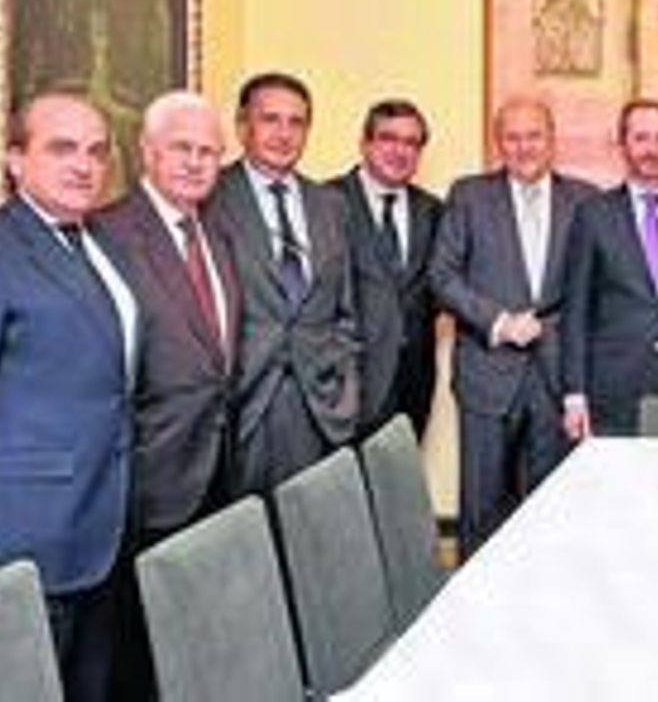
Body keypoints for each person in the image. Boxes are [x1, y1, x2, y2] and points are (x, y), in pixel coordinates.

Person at [0, 93, 139, 702]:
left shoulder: (101, 243)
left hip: (103, 524)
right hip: (25, 536)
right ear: (15, 160)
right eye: (62, 149)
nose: (84, 166)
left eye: (96, 152)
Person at [431, 96, 595, 554]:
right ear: (497, 143)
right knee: (482, 512)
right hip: (487, 376)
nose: (524, 147)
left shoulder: (586, 200)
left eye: (534, 136)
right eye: (512, 137)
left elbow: (596, 291)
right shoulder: (469, 196)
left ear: (552, 139)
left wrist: (583, 385)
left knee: (551, 510)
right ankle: (476, 599)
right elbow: (442, 276)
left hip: (558, 380)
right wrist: (499, 322)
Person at [206, 71, 362, 493]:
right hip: (242, 406)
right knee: (242, 530)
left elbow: (345, 309)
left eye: (296, 122)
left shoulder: (331, 205)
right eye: (270, 119)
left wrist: (345, 387)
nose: (283, 134)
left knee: (312, 526)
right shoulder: (210, 198)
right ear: (242, 125)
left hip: (320, 407)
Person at [96, 91, 240, 540]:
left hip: (218, 469)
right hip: (148, 479)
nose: (195, 163)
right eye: (181, 148)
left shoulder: (219, 232)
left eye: (208, 152)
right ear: (148, 151)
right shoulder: (107, 234)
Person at [561, 99, 658, 437]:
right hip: (613, 386)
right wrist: (574, 392)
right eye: (641, 138)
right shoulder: (593, 215)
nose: (652, 149)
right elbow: (576, 311)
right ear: (623, 143)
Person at [330, 99, 443, 437]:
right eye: (388, 138)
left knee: (401, 469)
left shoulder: (434, 211)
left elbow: (442, 286)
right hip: (344, 382)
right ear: (365, 143)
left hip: (414, 382)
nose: (399, 151)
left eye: (411, 142)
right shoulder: (326, 202)